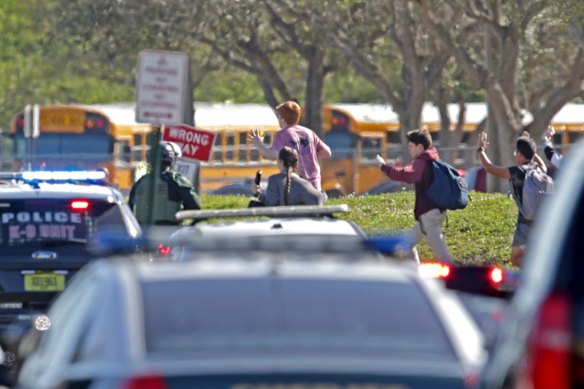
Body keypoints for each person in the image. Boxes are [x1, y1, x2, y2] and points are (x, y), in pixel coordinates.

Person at [377, 128, 454, 264]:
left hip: (429, 217)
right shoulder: (431, 158)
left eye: (411, 146)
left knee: (444, 258)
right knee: (405, 245)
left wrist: (384, 167)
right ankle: (416, 275)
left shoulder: (421, 162)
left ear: (419, 147)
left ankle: (460, 280)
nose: (409, 150)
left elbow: (406, 174)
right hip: (427, 217)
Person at [476, 131, 547, 267]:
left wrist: (480, 149)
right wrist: (531, 150)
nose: (516, 155)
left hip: (524, 223)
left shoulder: (517, 172)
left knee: (515, 259)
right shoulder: (540, 170)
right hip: (541, 222)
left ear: (520, 154)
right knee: (531, 255)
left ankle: (533, 273)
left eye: (516, 153)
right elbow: (542, 164)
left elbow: (489, 168)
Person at [248, 100, 331, 191]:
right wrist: (307, 152)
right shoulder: (309, 132)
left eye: (279, 117)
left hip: (296, 183)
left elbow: (272, 155)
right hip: (314, 183)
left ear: (282, 119)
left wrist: (258, 143)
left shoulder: (282, 134)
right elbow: (327, 152)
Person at [128, 141, 201, 225]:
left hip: (143, 234)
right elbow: (196, 209)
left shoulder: (140, 183)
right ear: (171, 159)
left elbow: (129, 211)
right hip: (169, 233)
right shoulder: (177, 180)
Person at [252, 146, 326, 206]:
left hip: (278, 221)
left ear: (280, 161)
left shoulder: (274, 179)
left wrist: (258, 193)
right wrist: (323, 194)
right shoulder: (304, 183)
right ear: (296, 164)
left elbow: (270, 203)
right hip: (299, 222)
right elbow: (318, 199)